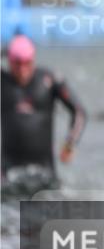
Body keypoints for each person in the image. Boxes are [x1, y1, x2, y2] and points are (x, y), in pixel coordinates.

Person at [1, 35, 86, 198]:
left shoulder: (49, 80)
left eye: (27, 62)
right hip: (9, 175)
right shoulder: (3, 82)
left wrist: (70, 144)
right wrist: (5, 50)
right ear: (9, 61)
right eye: (17, 63)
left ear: (33, 60)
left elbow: (79, 112)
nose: (22, 69)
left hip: (44, 175)